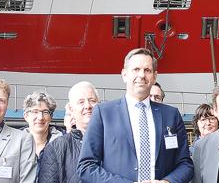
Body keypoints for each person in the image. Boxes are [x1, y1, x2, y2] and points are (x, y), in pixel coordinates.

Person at [78, 48, 193, 183]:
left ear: (154, 76)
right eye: (136, 69)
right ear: (124, 74)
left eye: (147, 70)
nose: (142, 75)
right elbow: (86, 167)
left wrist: (167, 182)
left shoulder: (171, 115)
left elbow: (186, 164)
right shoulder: (103, 113)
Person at [37, 81, 100, 183]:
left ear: (99, 105)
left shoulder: (115, 142)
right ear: (71, 109)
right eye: (81, 102)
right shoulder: (55, 148)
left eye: (92, 100)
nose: (88, 106)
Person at [23, 91, 62, 159]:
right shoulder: (15, 143)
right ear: (26, 116)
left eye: (45, 112)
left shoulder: (63, 142)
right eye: (35, 111)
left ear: (51, 116)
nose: (40, 117)